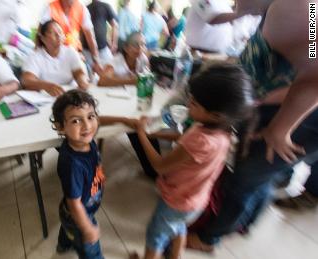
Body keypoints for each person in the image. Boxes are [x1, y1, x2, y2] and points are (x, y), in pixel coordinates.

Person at [186, 0, 318, 252]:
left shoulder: (306, 10)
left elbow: (314, 74)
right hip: (272, 107)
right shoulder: (281, 9)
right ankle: (244, 221)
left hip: (298, 115)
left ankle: (208, 238)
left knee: (245, 177)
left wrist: (280, 129)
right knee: (261, 173)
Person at [125, 63, 255, 259]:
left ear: (215, 114)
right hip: (196, 200)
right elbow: (185, 143)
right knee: (178, 228)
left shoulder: (201, 139)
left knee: (155, 235)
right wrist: (157, 133)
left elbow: (159, 165)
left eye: (194, 103)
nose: (189, 103)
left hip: (176, 201)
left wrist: (142, 133)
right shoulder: (221, 130)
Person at [51, 89, 133, 258]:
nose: (87, 126)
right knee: (90, 250)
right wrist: (88, 228)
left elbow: (99, 121)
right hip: (79, 213)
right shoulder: (72, 165)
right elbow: (74, 204)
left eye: (90, 116)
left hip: (73, 211)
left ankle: (63, 245)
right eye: (76, 121)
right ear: (60, 127)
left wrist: (123, 119)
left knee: (68, 227)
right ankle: (72, 241)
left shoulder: (84, 140)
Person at [21, 20, 89, 96]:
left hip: (69, 95)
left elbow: (78, 72)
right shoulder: (35, 56)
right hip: (45, 97)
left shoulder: (70, 51)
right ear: (43, 38)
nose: (58, 35)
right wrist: (46, 86)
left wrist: (82, 80)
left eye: (60, 32)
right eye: (53, 33)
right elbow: (26, 81)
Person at [40, 0, 101, 73]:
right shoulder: (50, 7)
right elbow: (41, 34)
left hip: (74, 54)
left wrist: (96, 61)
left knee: (84, 71)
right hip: (53, 55)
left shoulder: (81, 8)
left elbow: (90, 37)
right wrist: (38, 55)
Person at [81, 0, 118, 69]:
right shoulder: (85, 8)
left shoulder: (106, 6)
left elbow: (115, 25)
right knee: (91, 74)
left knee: (110, 69)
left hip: (103, 49)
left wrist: (114, 43)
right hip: (87, 50)